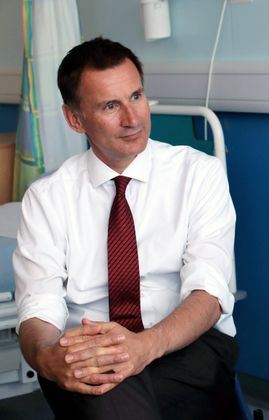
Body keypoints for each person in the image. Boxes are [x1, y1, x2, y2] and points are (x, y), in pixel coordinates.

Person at [13, 37, 239, 419]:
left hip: (186, 342)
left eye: (136, 96)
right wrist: (48, 358)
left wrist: (143, 347)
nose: (133, 119)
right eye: (110, 105)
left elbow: (209, 291)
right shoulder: (47, 198)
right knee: (106, 390)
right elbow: (39, 304)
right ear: (75, 118)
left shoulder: (199, 174)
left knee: (112, 403)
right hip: (88, 352)